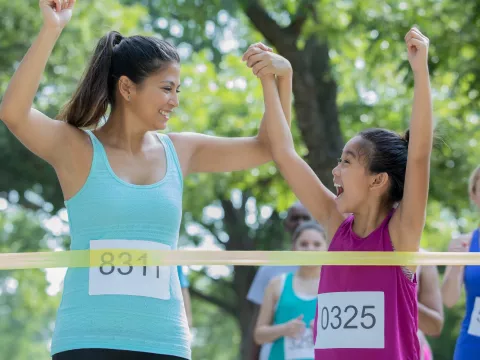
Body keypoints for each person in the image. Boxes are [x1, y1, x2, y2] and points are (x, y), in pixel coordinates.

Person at [0, 1, 294, 359]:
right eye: (167, 88)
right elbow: (13, 112)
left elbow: (269, 147)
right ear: (127, 88)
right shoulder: (76, 148)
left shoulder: (181, 150)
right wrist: (52, 29)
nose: (175, 101)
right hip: (86, 340)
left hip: (163, 343)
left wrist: (279, 79)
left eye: (178, 91)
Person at [254, 26, 433, 359]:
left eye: (347, 162)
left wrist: (420, 70)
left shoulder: (401, 234)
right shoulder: (335, 224)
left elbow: (420, 154)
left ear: (377, 180)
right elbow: (283, 152)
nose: (335, 171)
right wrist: (273, 78)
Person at [246, 202, 312, 360]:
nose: (300, 223)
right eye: (295, 218)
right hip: (275, 352)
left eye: (305, 218)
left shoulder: (329, 267)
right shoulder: (270, 267)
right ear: (286, 224)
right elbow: (258, 320)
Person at [254, 221, 328, 360]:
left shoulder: (337, 286)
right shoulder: (277, 284)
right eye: (304, 244)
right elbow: (259, 335)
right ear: (294, 248)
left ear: (327, 248)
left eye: (317, 244)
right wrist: (284, 329)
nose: (310, 249)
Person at [441, 165, 480, 359]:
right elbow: (449, 300)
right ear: (474, 195)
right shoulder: (463, 243)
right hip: (473, 346)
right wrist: (456, 264)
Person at [416, 250, 444, 360]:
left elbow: (434, 327)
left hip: (412, 352)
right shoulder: (358, 255)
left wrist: (401, 300)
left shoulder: (423, 259)